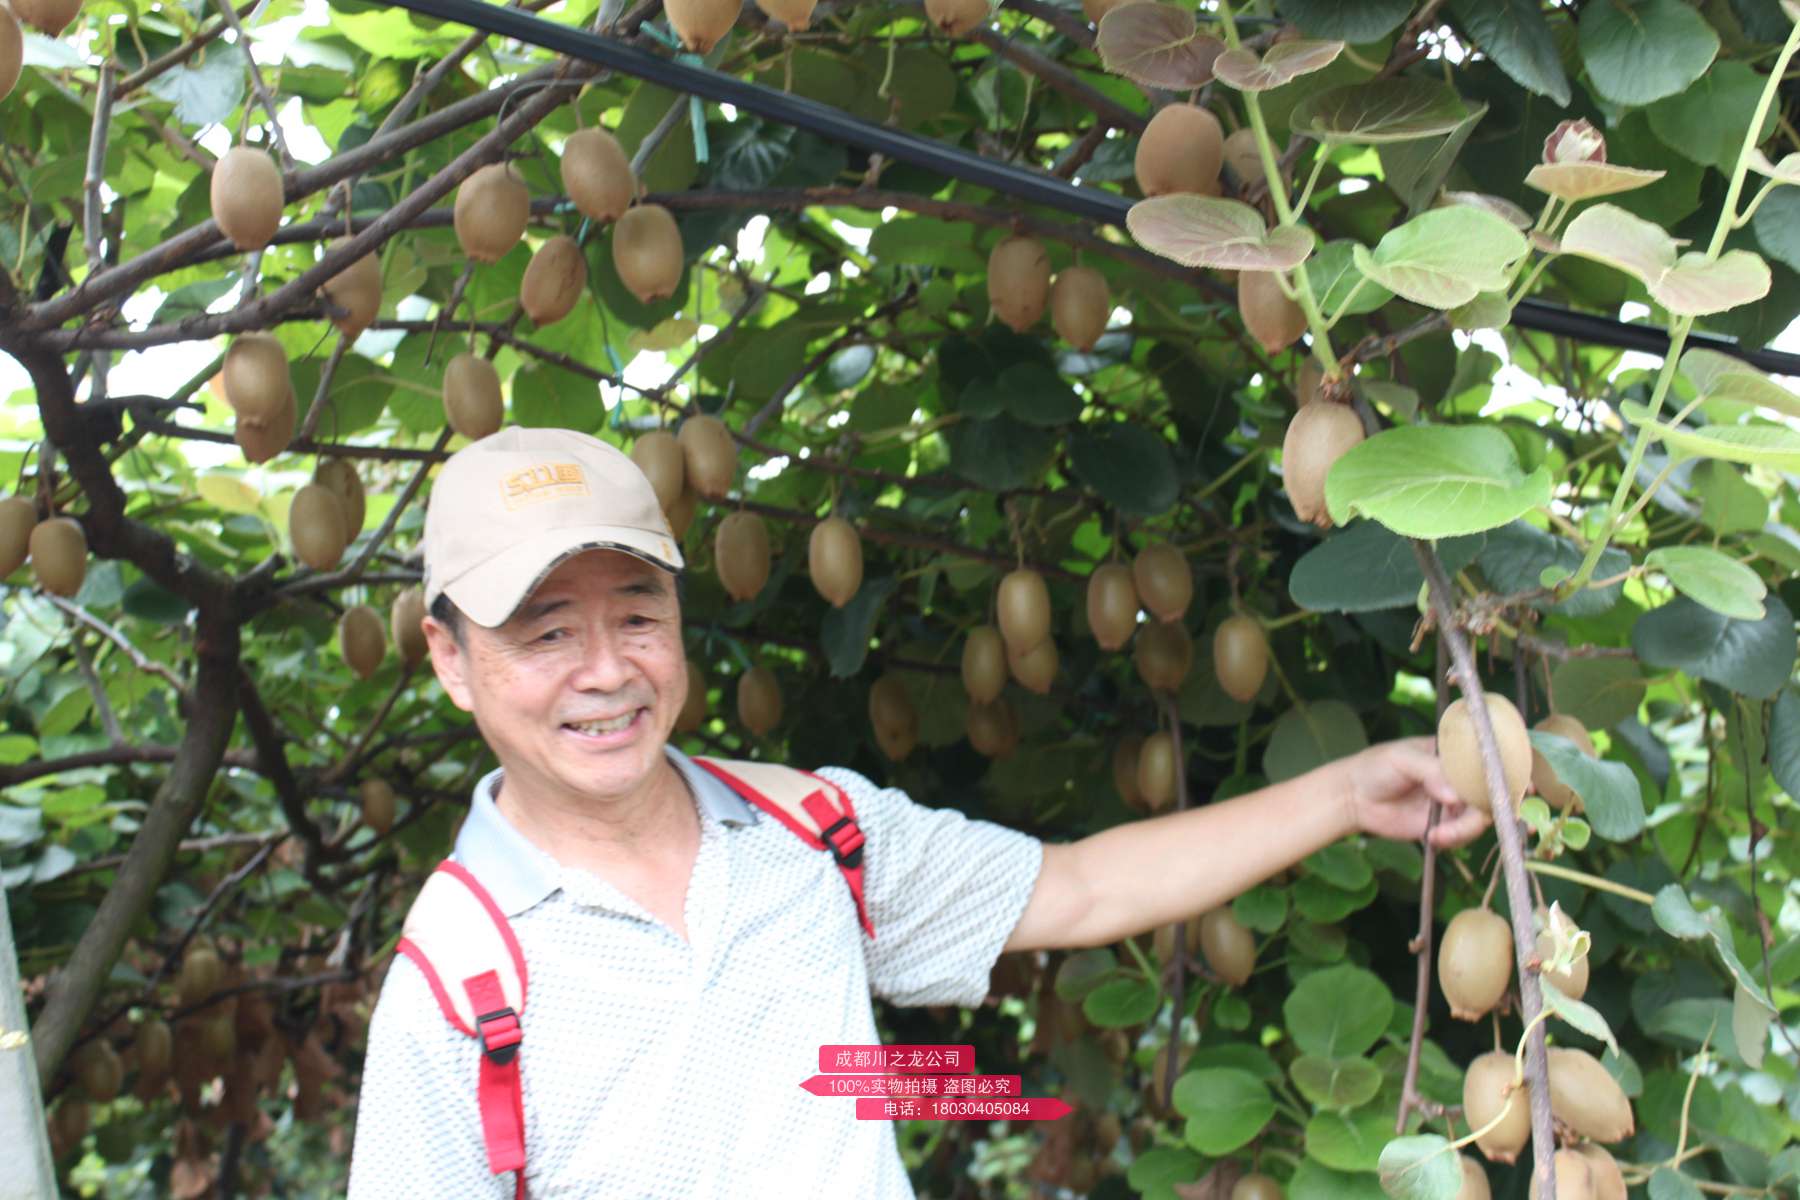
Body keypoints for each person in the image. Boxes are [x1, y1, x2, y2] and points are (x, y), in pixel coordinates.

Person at [345, 426, 1488, 1198]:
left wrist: (1345, 790)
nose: (605, 671)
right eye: (544, 633)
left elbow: (1082, 886)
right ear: (450, 659)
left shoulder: (809, 834)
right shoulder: (454, 987)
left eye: (637, 615)